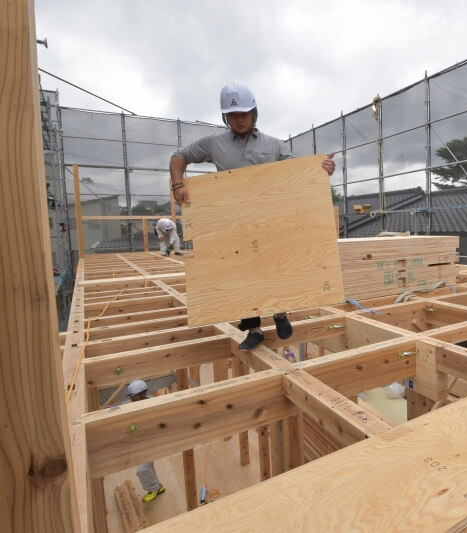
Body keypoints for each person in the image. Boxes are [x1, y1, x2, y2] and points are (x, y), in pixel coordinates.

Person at [169, 81, 335, 350]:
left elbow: (295, 173)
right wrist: (177, 183)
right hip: (234, 222)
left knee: (274, 263)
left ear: (254, 113)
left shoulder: (275, 145)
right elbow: (180, 156)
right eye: (233, 114)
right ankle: (254, 330)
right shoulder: (214, 143)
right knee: (242, 271)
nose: (239, 119)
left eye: (244, 113)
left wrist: (322, 169)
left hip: (270, 219)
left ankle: (280, 312)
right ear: (226, 117)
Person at [127, 379, 166, 502]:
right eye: (131, 397)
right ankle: (158, 487)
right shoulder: (134, 406)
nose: (132, 399)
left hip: (150, 442)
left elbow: (154, 424)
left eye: (134, 396)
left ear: (143, 394)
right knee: (148, 468)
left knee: (142, 470)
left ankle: (153, 489)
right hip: (142, 442)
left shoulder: (151, 407)